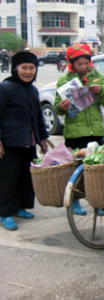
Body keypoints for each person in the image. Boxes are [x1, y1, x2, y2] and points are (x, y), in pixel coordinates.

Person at [54, 43, 104, 215]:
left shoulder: (97, 77)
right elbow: (57, 106)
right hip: (75, 133)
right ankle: (76, 202)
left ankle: (98, 202)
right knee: (75, 169)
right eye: (79, 64)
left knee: (97, 171)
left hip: (96, 131)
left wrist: (100, 91)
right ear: (72, 64)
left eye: (86, 63)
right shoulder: (64, 81)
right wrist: (62, 107)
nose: (83, 67)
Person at [0, 52, 49, 231]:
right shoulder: (6, 88)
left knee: (25, 177)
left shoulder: (33, 90)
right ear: (15, 69)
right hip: (10, 143)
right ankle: (5, 212)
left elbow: (38, 117)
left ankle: (20, 207)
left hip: (29, 142)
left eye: (31, 68)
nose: (28, 72)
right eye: (24, 68)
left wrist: (42, 138)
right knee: (8, 179)